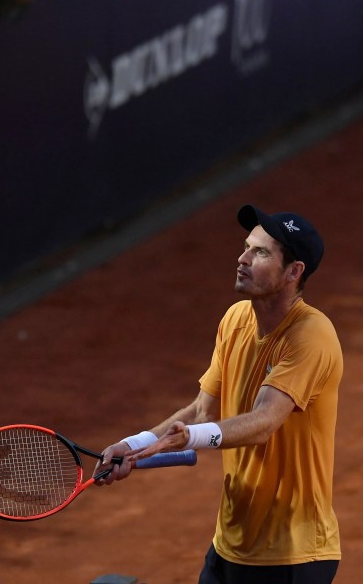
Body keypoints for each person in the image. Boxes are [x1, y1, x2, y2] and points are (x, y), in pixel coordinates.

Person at [98, 204, 343, 583]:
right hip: (231, 544)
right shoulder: (235, 320)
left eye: (260, 253)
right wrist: (134, 445)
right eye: (247, 247)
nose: (242, 258)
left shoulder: (312, 336)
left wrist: (187, 439)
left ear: (294, 272)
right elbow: (201, 411)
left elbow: (264, 422)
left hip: (294, 555)